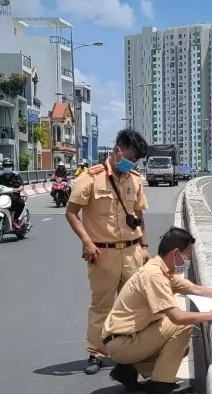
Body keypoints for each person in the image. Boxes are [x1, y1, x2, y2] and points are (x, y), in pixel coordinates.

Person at [104, 227, 212, 394]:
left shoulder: (160, 269)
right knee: (183, 326)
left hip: (125, 338)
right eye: (187, 255)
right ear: (175, 254)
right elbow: (177, 318)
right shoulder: (154, 276)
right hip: (123, 343)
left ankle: (128, 369)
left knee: (181, 346)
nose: (187, 259)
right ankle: (160, 384)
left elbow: (197, 290)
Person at [65, 129, 150, 376]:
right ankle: (97, 353)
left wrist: (144, 246)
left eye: (136, 161)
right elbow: (71, 212)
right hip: (102, 253)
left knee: (135, 303)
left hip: (132, 251)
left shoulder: (135, 179)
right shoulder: (90, 178)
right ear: (117, 151)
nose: (132, 163)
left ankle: (130, 352)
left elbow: (139, 214)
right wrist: (86, 241)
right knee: (101, 306)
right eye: (130, 157)